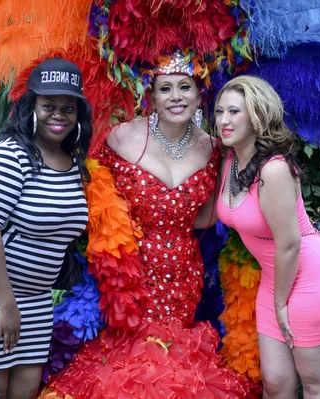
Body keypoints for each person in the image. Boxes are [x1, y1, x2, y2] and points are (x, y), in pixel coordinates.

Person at [41, 51, 260, 398]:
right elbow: (89, 190)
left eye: (185, 87)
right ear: (152, 96)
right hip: (130, 279)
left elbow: (206, 217)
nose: (176, 97)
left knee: (174, 365)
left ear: (199, 94)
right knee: (127, 365)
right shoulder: (121, 137)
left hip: (183, 277)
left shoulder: (214, 148)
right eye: (165, 88)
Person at [0, 58, 92, 399]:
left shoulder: (72, 162)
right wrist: (6, 305)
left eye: (68, 108)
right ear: (31, 106)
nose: (59, 115)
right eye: (49, 106)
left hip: (35, 294)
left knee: (26, 388)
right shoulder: (11, 155)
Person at [214, 75, 320, 399]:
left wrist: (281, 302)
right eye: (220, 111)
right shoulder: (231, 159)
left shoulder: (274, 169)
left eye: (234, 112)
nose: (224, 120)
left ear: (257, 115)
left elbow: (290, 243)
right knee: (276, 383)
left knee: (316, 385)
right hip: (276, 279)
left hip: (316, 279)